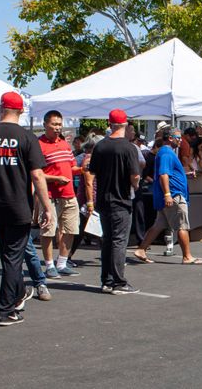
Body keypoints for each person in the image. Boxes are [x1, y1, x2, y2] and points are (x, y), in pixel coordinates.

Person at [0, 92, 54, 327]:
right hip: (18, 207)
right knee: (13, 259)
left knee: (8, 255)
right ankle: (7, 310)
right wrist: (47, 208)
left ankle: (17, 294)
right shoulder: (26, 138)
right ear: (21, 111)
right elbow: (37, 175)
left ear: (1, 108)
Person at [88, 109, 141, 293]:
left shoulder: (100, 146)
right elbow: (135, 175)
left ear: (109, 124)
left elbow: (91, 172)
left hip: (104, 199)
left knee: (108, 240)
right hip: (121, 200)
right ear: (125, 125)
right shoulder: (128, 148)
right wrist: (136, 185)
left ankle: (107, 280)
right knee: (119, 241)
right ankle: (118, 282)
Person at [136, 128, 202, 265]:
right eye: (177, 137)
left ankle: (141, 249)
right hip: (173, 195)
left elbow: (169, 174)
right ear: (170, 138)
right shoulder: (166, 153)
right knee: (182, 225)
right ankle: (187, 256)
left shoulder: (167, 153)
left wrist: (187, 175)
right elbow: (163, 174)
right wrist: (167, 194)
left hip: (170, 194)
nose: (180, 140)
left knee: (159, 224)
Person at [37, 110, 81, 278]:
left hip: (69, 194)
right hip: (49, 195)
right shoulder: (39, 145)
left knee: (70, 229)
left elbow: (72, 168)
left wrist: (84, 168)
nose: (57, 128)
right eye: (54, 124)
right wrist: (55, 178)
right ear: (45, 124)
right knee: (48, 231)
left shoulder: (64, 144)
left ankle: (62, 263)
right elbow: (36, 174)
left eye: (59, 125)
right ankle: (49, 265)